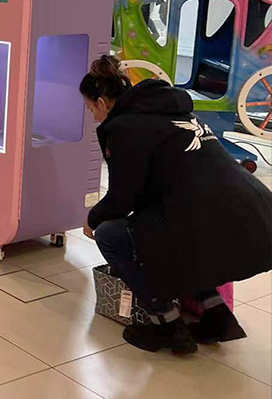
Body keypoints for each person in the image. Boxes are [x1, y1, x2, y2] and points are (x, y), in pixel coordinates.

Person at [81, 55, 272, 354]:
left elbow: (122, 198)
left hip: (209, 220)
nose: (93, 116)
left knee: (112, 235)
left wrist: (92, 220)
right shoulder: (174, 112)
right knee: (175, 231)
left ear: (103, 102)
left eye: (91, 108)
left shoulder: (125, 127)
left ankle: (165, 324)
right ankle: (215, 314)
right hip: (255, 212)